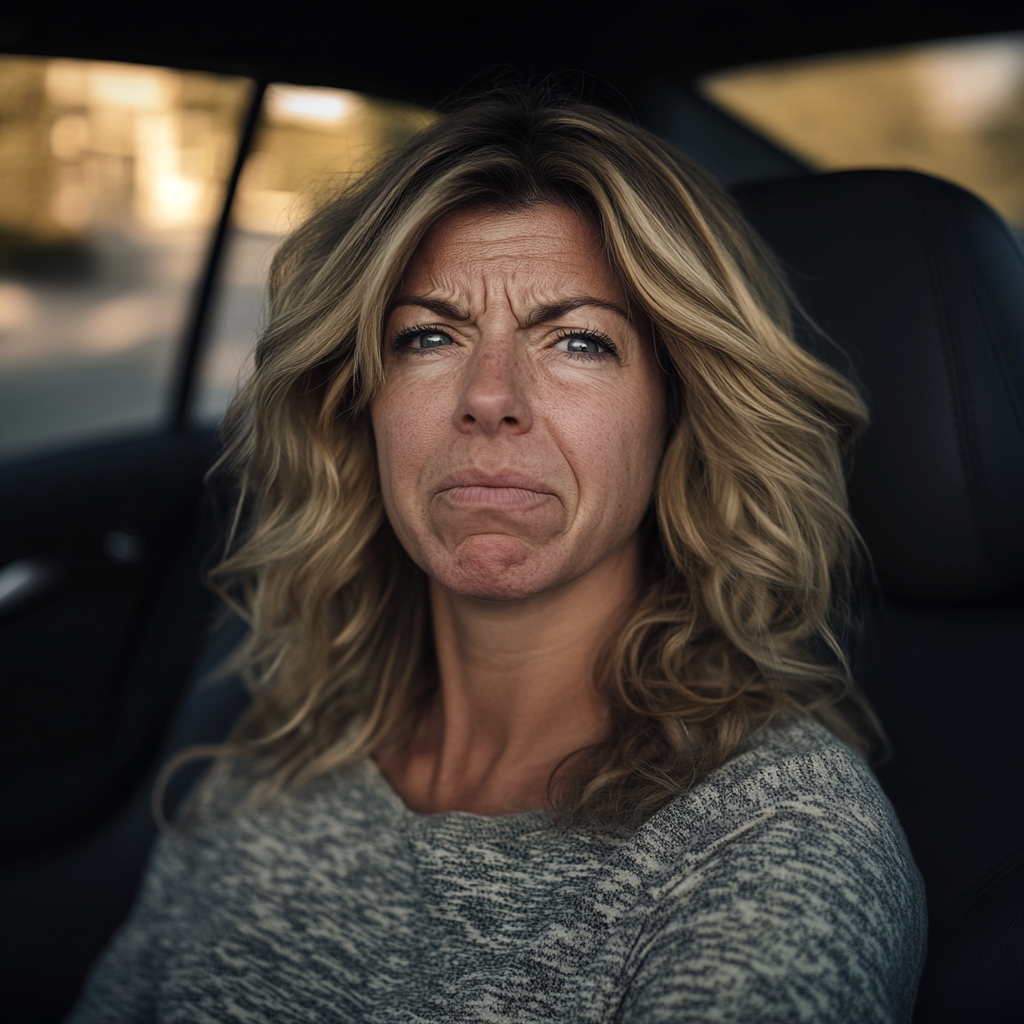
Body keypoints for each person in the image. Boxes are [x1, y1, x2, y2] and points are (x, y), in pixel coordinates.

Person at [69, 94, 926, 1023]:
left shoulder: (773, 836)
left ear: (681, 414)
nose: (489, 397)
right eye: (429, 336)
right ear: (362, 407)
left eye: (579, 341)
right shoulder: (275, 765)